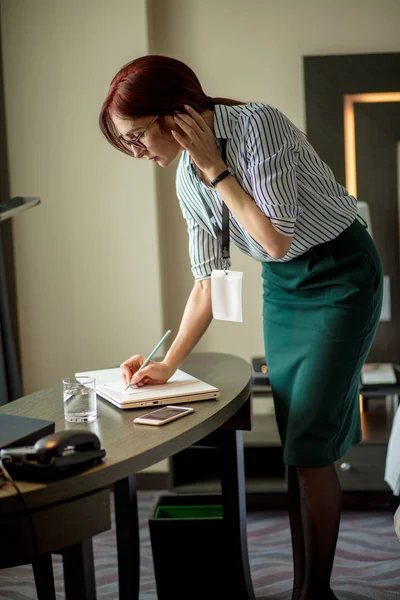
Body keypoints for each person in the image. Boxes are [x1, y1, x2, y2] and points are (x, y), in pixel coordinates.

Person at [99, 55, 383, 600]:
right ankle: (307, 585)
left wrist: (216, 170)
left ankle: (313, 591)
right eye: (125, 142)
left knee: (310, 445)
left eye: (136, 136)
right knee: (297, 443)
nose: (135, 151)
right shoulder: (188, 176)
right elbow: (209, 281)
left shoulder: (258, 125)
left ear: (172, 114)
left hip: (342, 273)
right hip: (283, 288)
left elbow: (274, 238)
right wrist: (168, 363)